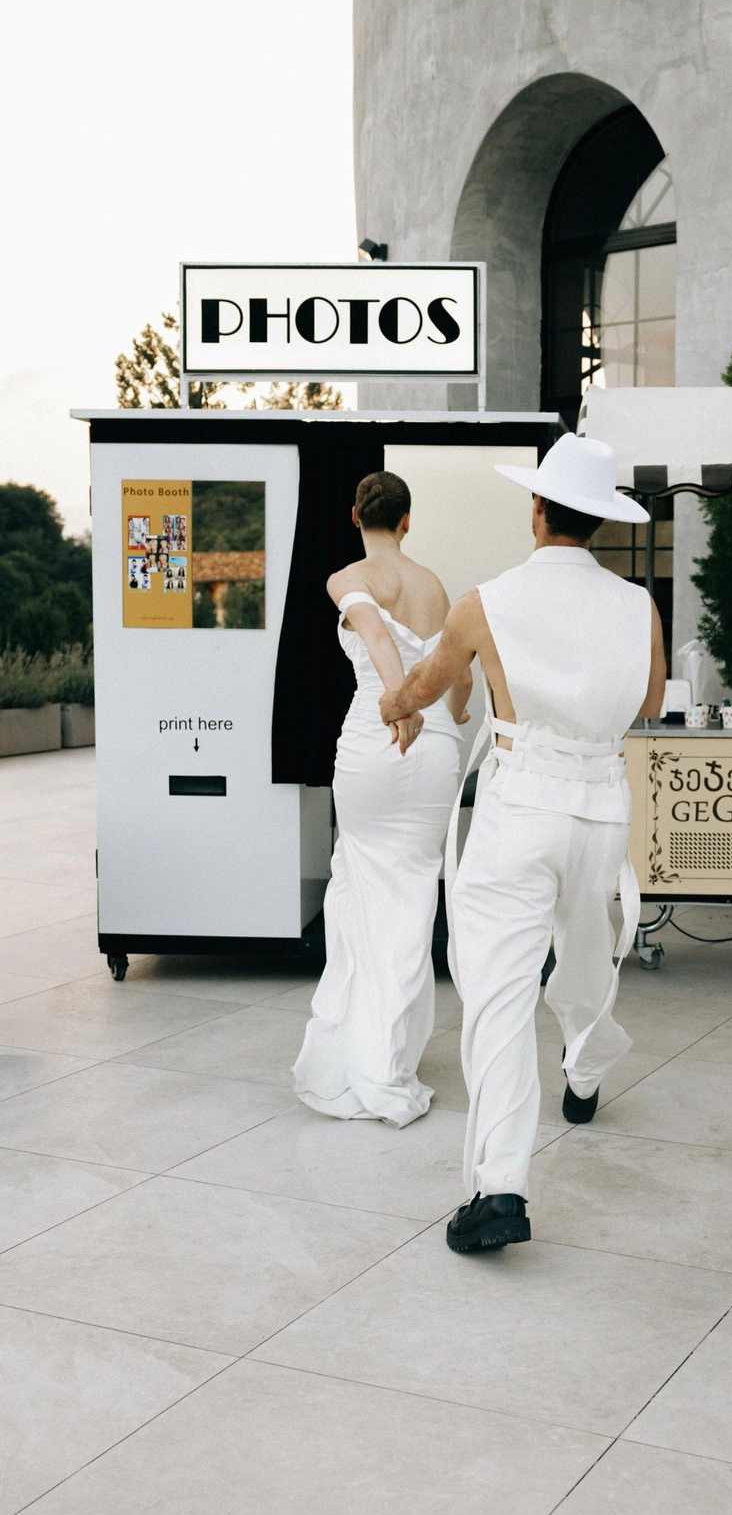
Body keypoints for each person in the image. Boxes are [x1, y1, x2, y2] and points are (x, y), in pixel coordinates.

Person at [379, 434, 666, 1251]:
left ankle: (500, 1188)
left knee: (500, 993)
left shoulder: (487, 601)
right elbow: (649, 700)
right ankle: (586, 1068)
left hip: (523, 805)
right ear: (599, 520)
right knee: (585, 957)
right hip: (600, 807)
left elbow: (429, 682)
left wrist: (394, 706)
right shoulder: (638, 606)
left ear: (537, 509)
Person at [292, 470, 472, 1127]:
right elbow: (460, 680)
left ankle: (362, 1052)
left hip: (376, 741)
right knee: (415, 891)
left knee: (363, 886)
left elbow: (374, 636)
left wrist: (399, 706)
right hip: (435, 750)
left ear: (355, 516)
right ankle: (392, 1052)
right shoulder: (434, 586)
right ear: (406, 520)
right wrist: (441, 713)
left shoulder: (348, 577)